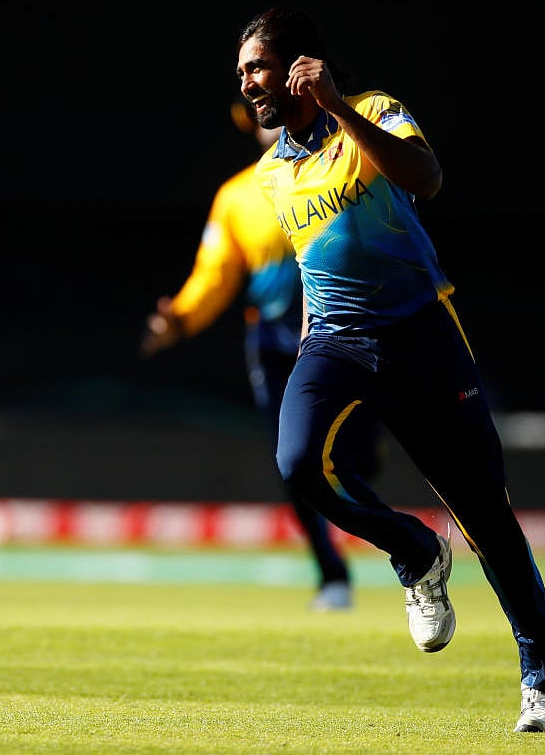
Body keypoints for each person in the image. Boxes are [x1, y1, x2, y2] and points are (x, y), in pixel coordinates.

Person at [234, 6, 545, 732]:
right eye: (241, 73)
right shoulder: (270, 172)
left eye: (257, 67)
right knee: (298, 463)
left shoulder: (375, 109)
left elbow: (427, 177)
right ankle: (416, 552)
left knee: (485, 517)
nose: (247, 83)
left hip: (421, 333)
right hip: (335, 342)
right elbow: (314, 261)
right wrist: (310, 342)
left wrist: (337, 108)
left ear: (300, 65)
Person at [140, 101, 384, 611]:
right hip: (275, 347)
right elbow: (214, 273)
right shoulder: (236, 197)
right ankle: (332, 575)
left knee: (356, 460)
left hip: (350, 336)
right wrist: (180, 318)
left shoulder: (339, 165)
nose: (264, 120)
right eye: (256, 114)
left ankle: (405, 543)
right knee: (296, 464)